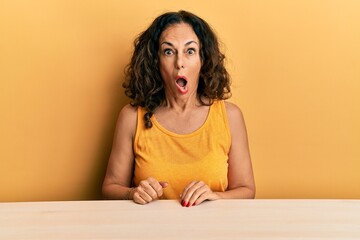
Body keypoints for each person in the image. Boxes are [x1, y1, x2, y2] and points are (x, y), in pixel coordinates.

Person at [102, 10, 255, 207]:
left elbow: (247, 189)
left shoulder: (230, 116)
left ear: (203, 59)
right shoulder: (131, 117)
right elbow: (110, 188)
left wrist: (216, 196)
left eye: (190, 51)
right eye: (168, 51)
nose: (179, 63)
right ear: (155, 61)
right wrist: (133, 193)